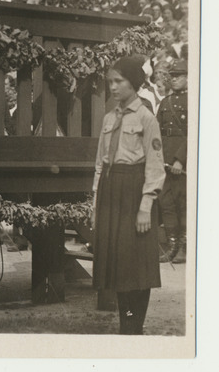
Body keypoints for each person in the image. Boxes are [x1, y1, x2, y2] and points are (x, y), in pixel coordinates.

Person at [92, 55, 165, 335]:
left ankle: (134, 325)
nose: (112, 87)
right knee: (121, 265)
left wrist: (146, 205)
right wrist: (96, 200)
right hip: (112, 192)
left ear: (133, 83)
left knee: (137, 265)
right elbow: (101, 162)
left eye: (118, 81)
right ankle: (127, 325)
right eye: (110, 82)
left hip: (136, 192)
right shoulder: (109, 117)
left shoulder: (147, 118)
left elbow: (156, 166)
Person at [157, 59, 188, 264]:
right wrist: (157, 157)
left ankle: (185, 247)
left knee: (183, 204)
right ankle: (172, 245)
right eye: (172, 75)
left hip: (182, 163)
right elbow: (155, 132)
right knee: (166, 203)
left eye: (179, 75)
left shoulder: (194, 101)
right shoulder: (164, 102)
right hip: (164, 162)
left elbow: (193, 133)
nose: (174, 78)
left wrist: (180, 160)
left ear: (188, 77)